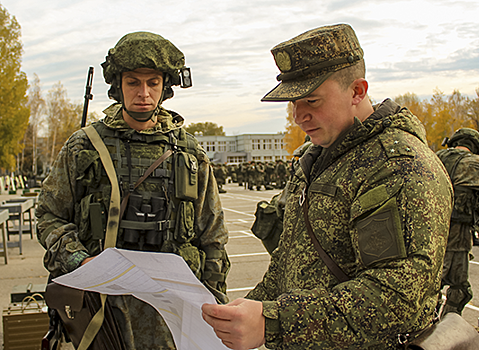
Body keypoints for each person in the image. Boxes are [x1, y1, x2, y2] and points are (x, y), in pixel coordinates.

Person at [202, 23, 453, 349]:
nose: (298, 116)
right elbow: (288, 262)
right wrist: (250, 308)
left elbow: (395, 298)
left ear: (357, 92)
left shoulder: (398, 167)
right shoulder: (319, 160)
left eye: (312, 101)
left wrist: (274, 321)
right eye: (294, 103)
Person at [36, 31, 230, 349]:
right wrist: (80, 261)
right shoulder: (85, 146)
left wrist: (213, 306)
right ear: (117, 86)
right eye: (133, 82)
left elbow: (212, 237)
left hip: (172, 315)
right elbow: (48, 215)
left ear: (165, 87)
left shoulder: (189, 151)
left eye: (152, 83)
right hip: (103, 312)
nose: (143, 93)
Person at [436, 128, 479, 316]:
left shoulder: (436, 157)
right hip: (457, 236)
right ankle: (443, 329)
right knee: (458, 290)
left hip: (428, 230)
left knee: (428, 285)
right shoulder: (476, 164)